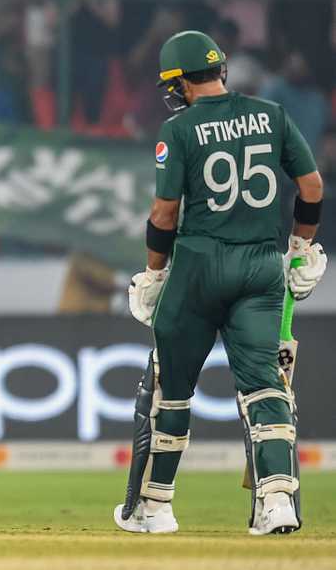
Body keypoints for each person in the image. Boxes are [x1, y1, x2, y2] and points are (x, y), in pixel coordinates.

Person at [115, 31, 327, 535]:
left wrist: (154, 272)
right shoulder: (272, 115)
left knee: (171, 389)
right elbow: (313, 186)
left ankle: (155, 507)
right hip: (260, 266)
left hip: (199, 264)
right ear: (221, 70)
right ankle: (277, 500)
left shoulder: (179, 127)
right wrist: (300, 248)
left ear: (182, 81)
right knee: (264, 387)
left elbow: (165, 212)